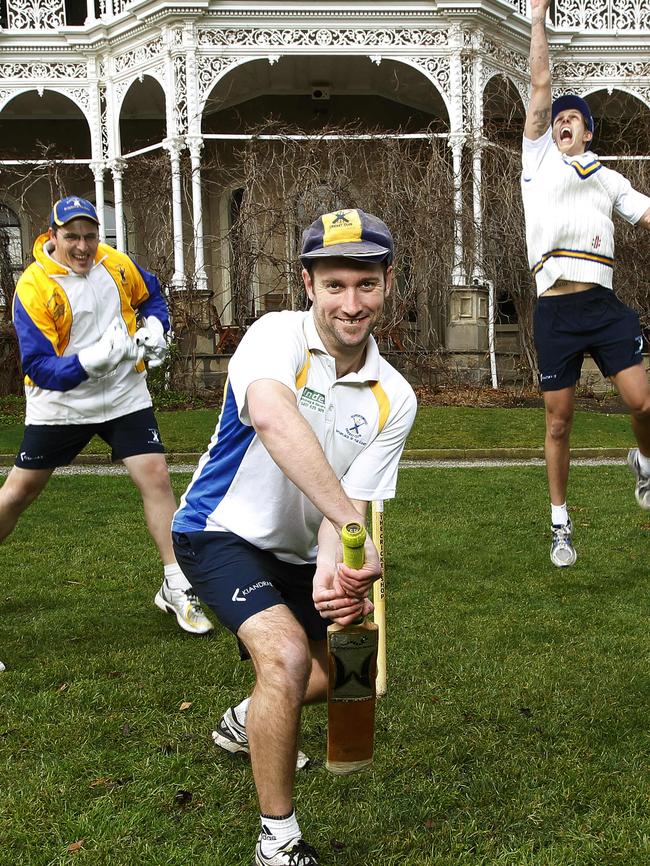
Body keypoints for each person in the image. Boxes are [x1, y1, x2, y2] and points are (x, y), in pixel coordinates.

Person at [172, 208, 417, 866]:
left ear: (387, 284)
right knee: (282, 659)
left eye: (366, 284)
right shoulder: (273, 336)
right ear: (307, 285)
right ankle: (277, 842)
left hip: (302, 550)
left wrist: (332, 567)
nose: (351, 302)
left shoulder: (394, 396)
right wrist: (345, 523)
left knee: (334, 676)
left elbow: (355, 501)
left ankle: (241, 721)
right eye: (334, 285)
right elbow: (275, 420)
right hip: (217, 531)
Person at [0, 195, 212, 636]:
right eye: (71, 236)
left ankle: (176, 584)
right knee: (19, 492)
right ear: (53, 236)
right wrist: (89, 361)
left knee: (155, 476)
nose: (82, 247)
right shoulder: (34, 287)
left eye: (90, 236)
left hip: (122, 394)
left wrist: (157, 327)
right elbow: (38, 367)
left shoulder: (115, 263)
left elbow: (151, 294)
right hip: (62, 403)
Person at [523, 0, 650, 567]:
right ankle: (559, 524)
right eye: (556, 119)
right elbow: (541, 80)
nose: (561, 121)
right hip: (554, 311)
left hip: (602, 305)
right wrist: (537, 18)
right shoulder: (539, 164)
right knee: (559, 420)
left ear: (588, 131)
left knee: (642, 401)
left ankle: (644, 464)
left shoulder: (609, 178)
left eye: (571, 118)